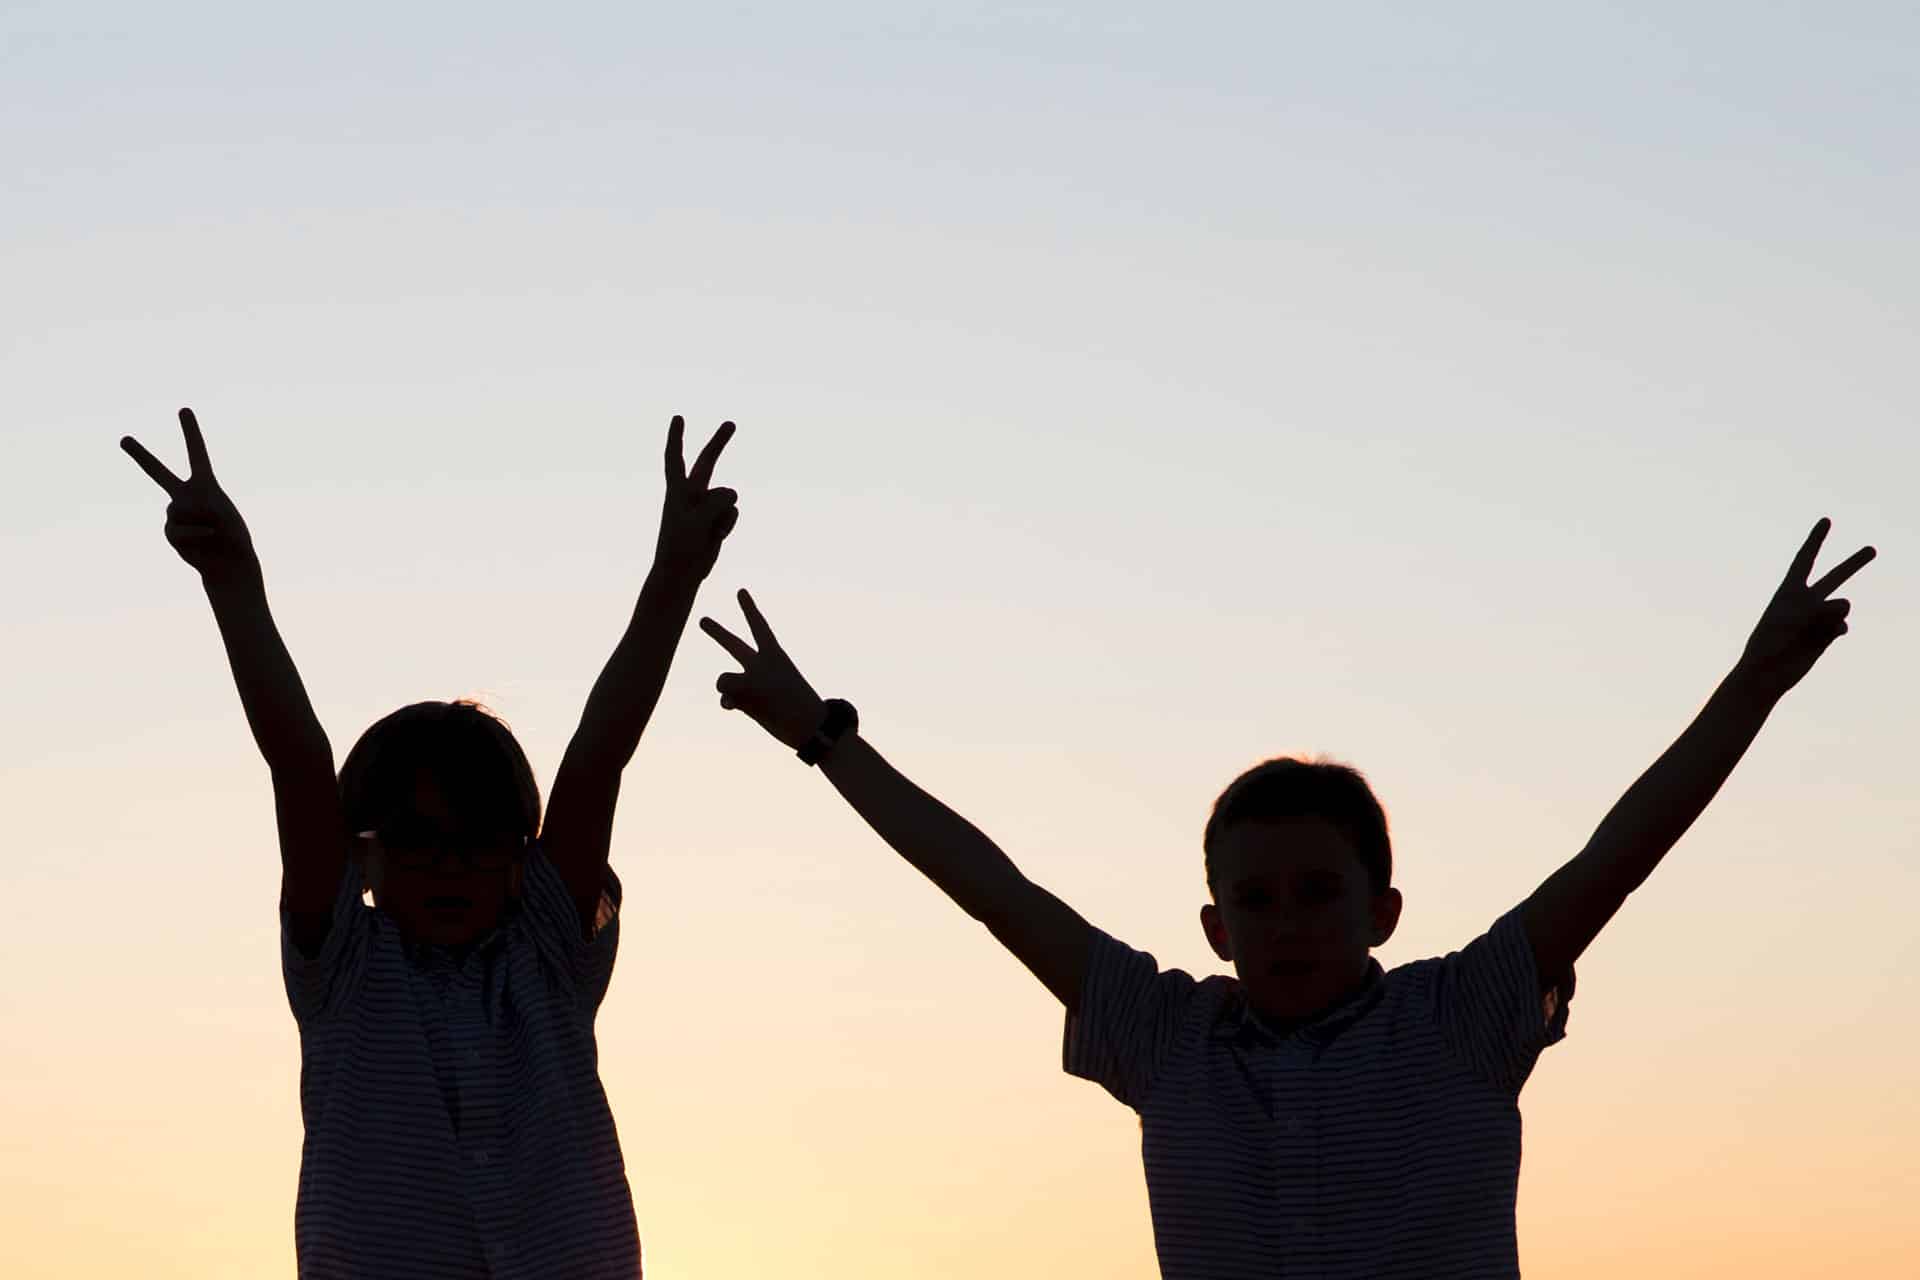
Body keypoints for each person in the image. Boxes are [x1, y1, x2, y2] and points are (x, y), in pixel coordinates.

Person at [698, 518, 1874, 1279]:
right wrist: (823, 738)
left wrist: (1754, 681)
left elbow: (1619, 852)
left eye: (1321, 890)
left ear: (1385, 910)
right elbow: (992, 888)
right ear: (1215, 926)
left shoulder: (1458, 1018)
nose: (1291, 918)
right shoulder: (1169, 1037)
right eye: (1257, 898)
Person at [121, 407, 740, 1279]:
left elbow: (601, 751)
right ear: (364, 856)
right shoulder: (343, 967)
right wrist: (232, 579)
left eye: (480, 839)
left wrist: (673, 578)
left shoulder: (548, 956)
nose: (448, 862)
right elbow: (297, 759)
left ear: (522, 855)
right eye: (414, 839)